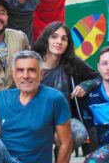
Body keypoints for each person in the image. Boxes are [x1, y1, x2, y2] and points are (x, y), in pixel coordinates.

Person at [32, 22, 99, 150]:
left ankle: (61, 154)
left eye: (64, 39)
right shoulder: (33, 63)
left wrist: (85, 85)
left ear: (68, 44)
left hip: (64, 119)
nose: (59, 42)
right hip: (37, 119)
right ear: (46, 39)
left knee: (79, 133)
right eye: (54, 37)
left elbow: (98, 77)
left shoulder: (73, 62)